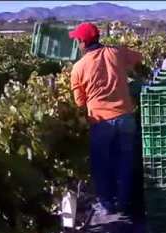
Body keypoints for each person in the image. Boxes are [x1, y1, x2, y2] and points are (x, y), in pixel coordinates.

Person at [68, 23, 144, 217]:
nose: (77, 43)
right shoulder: (115, 53)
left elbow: (79, 102)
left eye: (78, 40)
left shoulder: (78, 68)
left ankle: (107, 205)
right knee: (125, 161)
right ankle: (125, 202)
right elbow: (138, 57)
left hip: (101, 121)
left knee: (102, 165)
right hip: (125, 117)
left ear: (83, 42)